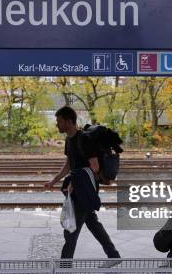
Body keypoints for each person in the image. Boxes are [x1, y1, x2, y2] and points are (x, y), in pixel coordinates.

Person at [44, 106, 120, 260]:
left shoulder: (85, 139)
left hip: (84, 190)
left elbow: (95, 166)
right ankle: (114, 256)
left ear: (69, 121)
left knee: (70, 231)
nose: (56, 124)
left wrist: (76, 182)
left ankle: (64, 272)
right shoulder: (69, 140)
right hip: (77, 190)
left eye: (59, 121)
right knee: (93, 224)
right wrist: (53, 181)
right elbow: (69, 165)